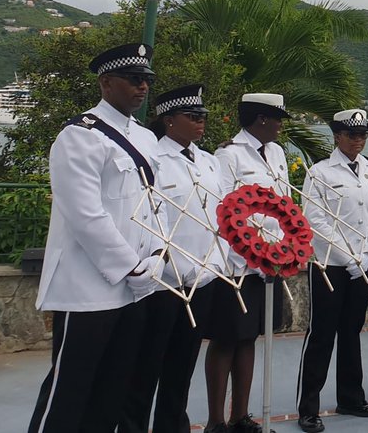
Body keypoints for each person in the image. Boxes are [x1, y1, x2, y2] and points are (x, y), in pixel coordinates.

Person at [27, 43, 163, 433]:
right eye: (134, 79)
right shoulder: (79, 136)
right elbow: (85, 215)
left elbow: (155, 204)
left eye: (147, 80)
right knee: (69, 392)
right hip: (87, 288)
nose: (142, 87)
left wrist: (157, 253)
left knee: (112, 391)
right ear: (106, 83)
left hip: (135, 287)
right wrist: (130, 266)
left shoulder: (145, 137)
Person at [124, 83, 228, 433]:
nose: (201, 122)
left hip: (203, 280)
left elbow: (223, 218)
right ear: (169, 120)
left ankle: (172, 427)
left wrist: (215, 264)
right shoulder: (153, 158)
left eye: (203, 116)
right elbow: (148, 217)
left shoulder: (210, 162)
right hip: (162, 283)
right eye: (193, 116)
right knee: (145, 367)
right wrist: (171, 265)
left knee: (182, 366)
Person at [295, 109, 368, 430]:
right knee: (321, 335)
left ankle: (350, 397)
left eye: (363, 135)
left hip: (363, 265)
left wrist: (367, 255)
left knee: (351, 333)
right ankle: (309, 407)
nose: (358, 140)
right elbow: (314, 220)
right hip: (330, 266)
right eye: (352, 135)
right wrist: (348, 256)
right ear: (337, 136)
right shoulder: (320, 173)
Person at [205, 93, 292, 433]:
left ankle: (240, 415)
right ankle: (216, 421)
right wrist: (251, 257)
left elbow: (284, 206)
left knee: (249, 337)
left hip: (269, 264)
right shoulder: (228, 156)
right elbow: (225, 214)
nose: (281, 124)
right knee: (226, 339)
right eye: (277, 118)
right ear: (260, 120)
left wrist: (279, 254)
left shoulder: (277, 153)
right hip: (236, 266)